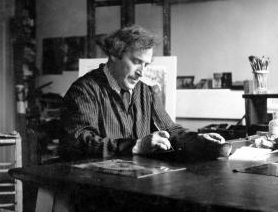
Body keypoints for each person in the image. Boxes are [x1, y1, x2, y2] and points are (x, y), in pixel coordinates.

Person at [59, 24, 228, 161]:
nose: (142, 72)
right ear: (114, 55)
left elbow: (172, 131)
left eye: (146, 65)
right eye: (136, 62)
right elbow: (79, 141)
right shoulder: (83, 91)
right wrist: (136, 146)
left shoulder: (147, 92)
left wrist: (199, 139)